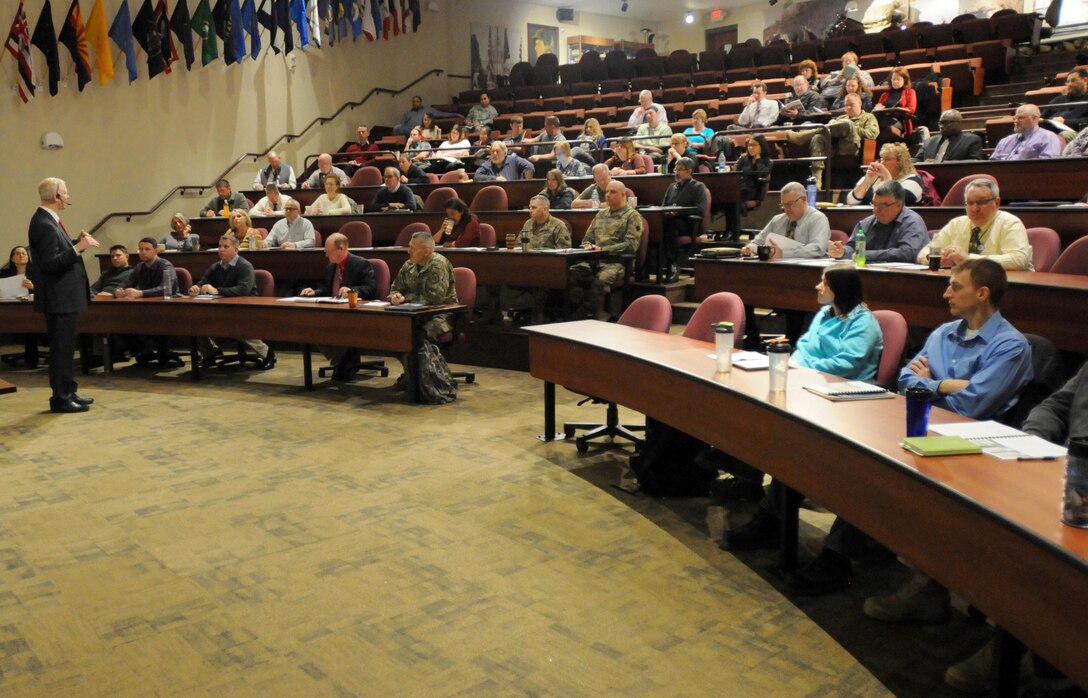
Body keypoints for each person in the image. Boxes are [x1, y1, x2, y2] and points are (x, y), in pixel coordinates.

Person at [862, 259, 1033, 687]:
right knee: (866, 466)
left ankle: (929, 585)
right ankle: (925, 584)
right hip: (926, 432)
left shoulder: (1011, 346)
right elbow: (904, 379)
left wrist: (934, 382)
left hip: (979, 452)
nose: (945, 293)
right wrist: (948, 385)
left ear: (982, 294)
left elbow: (976, 406)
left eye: (954, 286)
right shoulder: (942, 334)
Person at [940, 359, 1088, 693]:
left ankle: (1029, 648)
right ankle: (935, 587)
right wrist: (1034, 440)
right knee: (969, 499)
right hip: (1065, 473)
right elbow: (1056, 405)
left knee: (1039, 545)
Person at [721, 265, 883, 549]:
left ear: (840, 289)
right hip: (809, 383)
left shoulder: (864, 323)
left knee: (789, 437)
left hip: (845, 398)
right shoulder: (824, 313)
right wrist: (800, 363)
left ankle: (759, 498)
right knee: (756, 404)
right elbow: (804, 346)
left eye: (824, 283)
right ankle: (741, 469)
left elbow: (847, 364)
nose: (818, 287)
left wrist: (802, 365)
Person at [27, 177, 99, 413]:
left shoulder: (51, 221)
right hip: (58, 298)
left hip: (64, 297)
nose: (68, 197)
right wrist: (79, 248)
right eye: (65, 193)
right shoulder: (43, 223)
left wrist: (75, 243)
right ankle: (61, 399)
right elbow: (49, 264)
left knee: (67, 348)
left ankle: (69, 391)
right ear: (55, 196)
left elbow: (59, 255)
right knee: (60, 350)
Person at [188, 235, 276, 371]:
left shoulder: (245, 266)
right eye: (219, 246)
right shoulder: (216, 267)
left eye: (225, 247)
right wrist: (196, 289)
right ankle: (210, 354)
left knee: (236, 325)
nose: (221, 250)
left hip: (246, 308)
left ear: (236, 249)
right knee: (194, 323)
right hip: (222, 307)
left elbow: (243, 290)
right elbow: (202, 282)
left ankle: (268, 355)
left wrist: (216, 290)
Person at [299, 232, 378, 379]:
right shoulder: (331, 267)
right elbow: (326, 290)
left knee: (339, 326)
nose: (326, 255)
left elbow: (371, 289)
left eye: (328, 252)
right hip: (333, 309)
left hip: (354, 312)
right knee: (312, 326)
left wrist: (352, 291)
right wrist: (313, 292)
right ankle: (341, 360)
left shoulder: (361, 264)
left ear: (341, 249)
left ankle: (343, 362)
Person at [388, 231, 459, 387]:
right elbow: (394, 288)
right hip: (413, 314)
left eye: (413, 248)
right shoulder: (408, 265)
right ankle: (413, 373)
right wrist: (395, 296)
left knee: (416, 335)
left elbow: (435, 298)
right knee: (392, 332)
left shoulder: (438, 264)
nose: (409, 251)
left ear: (426, 251)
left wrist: (406, 298)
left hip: (441, 315)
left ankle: (423, 378)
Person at [919, 178, 1033, 270]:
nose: (975, 208)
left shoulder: (1010, 223)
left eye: (982, 202)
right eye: (970, 203)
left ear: (997, 202)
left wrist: (969, 259)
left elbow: (1018, 260)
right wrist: (933, 258)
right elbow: (924, 253)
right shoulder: (956, 224)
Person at [568, 180, 643, 321]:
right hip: (594, 258)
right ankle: (576, 313)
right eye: (607, 192)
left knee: (600, 280)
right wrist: (588, 247)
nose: (608, 195)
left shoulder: (632, 216)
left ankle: (600, 314)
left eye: (612, 192)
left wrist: (604, 249)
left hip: (618, 261)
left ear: (623, 195)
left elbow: (631, 245)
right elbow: (587, 239)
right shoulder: (601, 215)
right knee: (571, 274)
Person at [501, 194, 573, 324]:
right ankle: (495, 312)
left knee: (540, 278)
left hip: (548, 267)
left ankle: (537, 314)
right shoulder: (528, 224)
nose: (530, 210)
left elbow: (564, 251)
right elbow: (518, 245)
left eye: (534, 207)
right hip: (526, 265)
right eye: (530, 207)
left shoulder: (558, 226)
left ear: (545, 209)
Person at [116, 237, 182, 367]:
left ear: (156, 251)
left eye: (147, 249)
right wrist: (119, 291)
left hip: (168, 308)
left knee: (157, 321)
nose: (143, 252)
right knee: (121, 322)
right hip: (146, 308)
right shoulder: (139, 267)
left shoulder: (165, 265)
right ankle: (145, 351)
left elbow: (165, 288)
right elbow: (126, 283)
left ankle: (162, 355)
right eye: (140, 249)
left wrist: (141, 293)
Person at [787, 93, 879, 184]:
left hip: (852, 146)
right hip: (835, 147)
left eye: (851, 105)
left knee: (847, 124)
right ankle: (817, 178)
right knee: (818, 137)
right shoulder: (841, 117)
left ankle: (803, 136)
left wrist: (852, 128)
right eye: (846, 105)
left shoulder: (869, 117)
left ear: (860, 103)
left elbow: (872, 134)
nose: (848, 108)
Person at [830, 181, 929, 263]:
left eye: (883, 205)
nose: (876, 210)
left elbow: (907, 253)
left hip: (905, 279)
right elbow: (852, 249)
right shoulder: (865, 223)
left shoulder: (912, 222)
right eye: (874, 204)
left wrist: (865, 255)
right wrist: (842, 251)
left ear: (899, 204)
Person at [742, 181, 831, 260]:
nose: (786, 209)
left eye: (790, 204)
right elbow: (757, 242)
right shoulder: (777, 220)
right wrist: (751, 248)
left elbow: (817, 249)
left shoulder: (818, 218)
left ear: (803, 199)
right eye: (783, 205)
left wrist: (782, 253)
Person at [660, 157, 708, 283]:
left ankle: (673, 264)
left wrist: (679, 212)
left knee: (671, 225)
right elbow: (663, 206)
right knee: (657, 225)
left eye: (680, 169)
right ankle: (650, 266)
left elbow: (700, 210)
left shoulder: (698, 187)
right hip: (671, 220)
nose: (676, 172)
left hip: (688, 223)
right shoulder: (671, 187)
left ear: (689, 171)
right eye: (676, 169)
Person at [725, 135, 773, 237]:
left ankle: (731, 232)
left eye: (753, 145)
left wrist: (758, 160)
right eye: (749, 145)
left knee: (733, 200)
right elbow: (735, 169)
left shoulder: (768, 161)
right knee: (730, 199)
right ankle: (730, 231)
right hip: (740, 188)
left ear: (762, 146)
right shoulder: (743, 158)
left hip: (754, 191)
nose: (750, 148)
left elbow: (762, 173)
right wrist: (729, 168)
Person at [847, 142, 923, 206]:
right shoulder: (875, 177)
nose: (882, 163)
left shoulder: (913, 180)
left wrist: (887, 177)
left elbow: (895, 203)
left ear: (901, 162)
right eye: (882, 159)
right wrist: (866, 181)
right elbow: (851, 202)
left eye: (887, 159)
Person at [990, 104, 1064, 160]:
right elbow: (992, 163)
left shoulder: (1048, 137)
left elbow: (1047, 165)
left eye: (1020, 118)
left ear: (1034, 119)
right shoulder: (1005, 140)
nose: (1016, 121)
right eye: (1015, 118)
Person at [912, 109, 984, 163]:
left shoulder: (972, 140)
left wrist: (943, 163)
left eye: (946, 122)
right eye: (940, 123)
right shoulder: (929, 141)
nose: (942, 126)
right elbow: (917, 159)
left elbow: (975, 162)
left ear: (959, 123)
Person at [872, 67, 917, 137]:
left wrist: (896, 110)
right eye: (893, 79)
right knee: (873, 115)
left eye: (898, 79)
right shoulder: (885, 95)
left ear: (904, 80)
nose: (895, 82)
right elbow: (879, 107)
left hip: (900, 121)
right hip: (884, 119)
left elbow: (911, 109)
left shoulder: (910, 92)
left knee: (875, 122)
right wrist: (878, 108)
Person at [391, 95, 458, 136]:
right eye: (413, 102)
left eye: (417, 102)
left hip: (420, 128)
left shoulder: (428, 110)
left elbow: (441, 114)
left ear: (420, 102)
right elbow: (402, 124)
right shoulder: (407, 113)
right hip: (409, 129)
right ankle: (397, 148)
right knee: (396, 129)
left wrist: (456, 114)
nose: (415, 103)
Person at [1046, 67, 1088, 132]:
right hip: (1050, 131)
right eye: (1068, 82)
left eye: (1073, 80)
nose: (1069, 84)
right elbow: (1043, 117)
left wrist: (1065, 122)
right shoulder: (1058, 100)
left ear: (1085, 80)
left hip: (1077, 133)